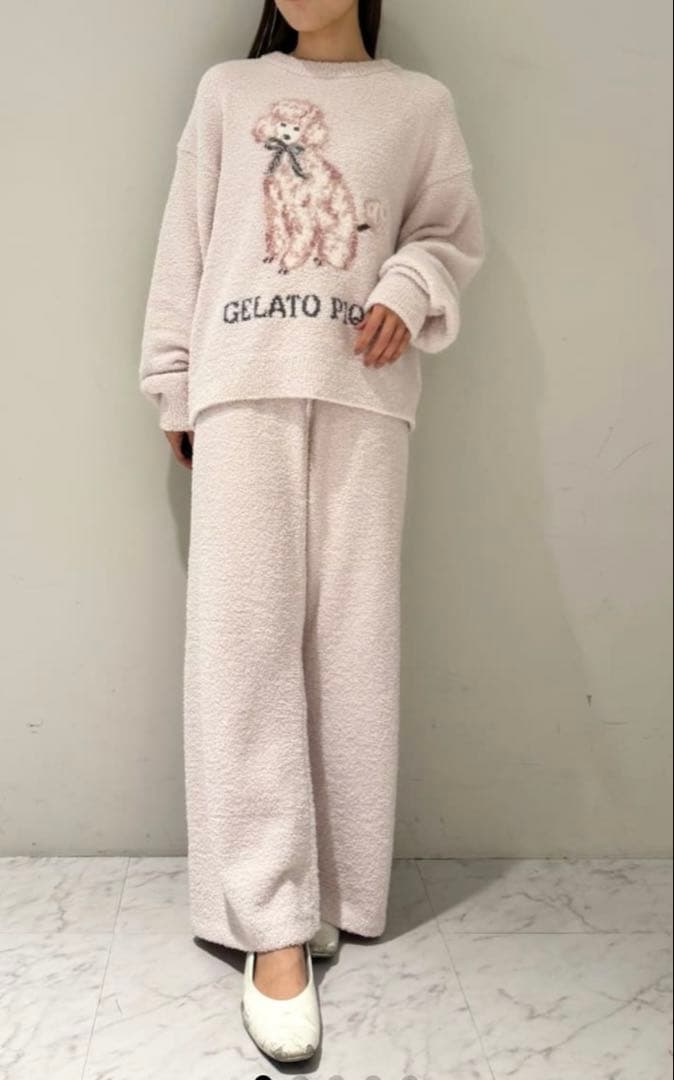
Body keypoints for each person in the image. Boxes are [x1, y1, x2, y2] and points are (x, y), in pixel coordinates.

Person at [138, 0, 485, 1063]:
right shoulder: (228, 92)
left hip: (364, 397)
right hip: (242, 390)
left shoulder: (417, 105)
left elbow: (448, 233)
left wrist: (410, 283)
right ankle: (271, 924)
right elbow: (186, 244)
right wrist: (173, 383)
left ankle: (330, 885)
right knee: (243, 651)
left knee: (350, 646)